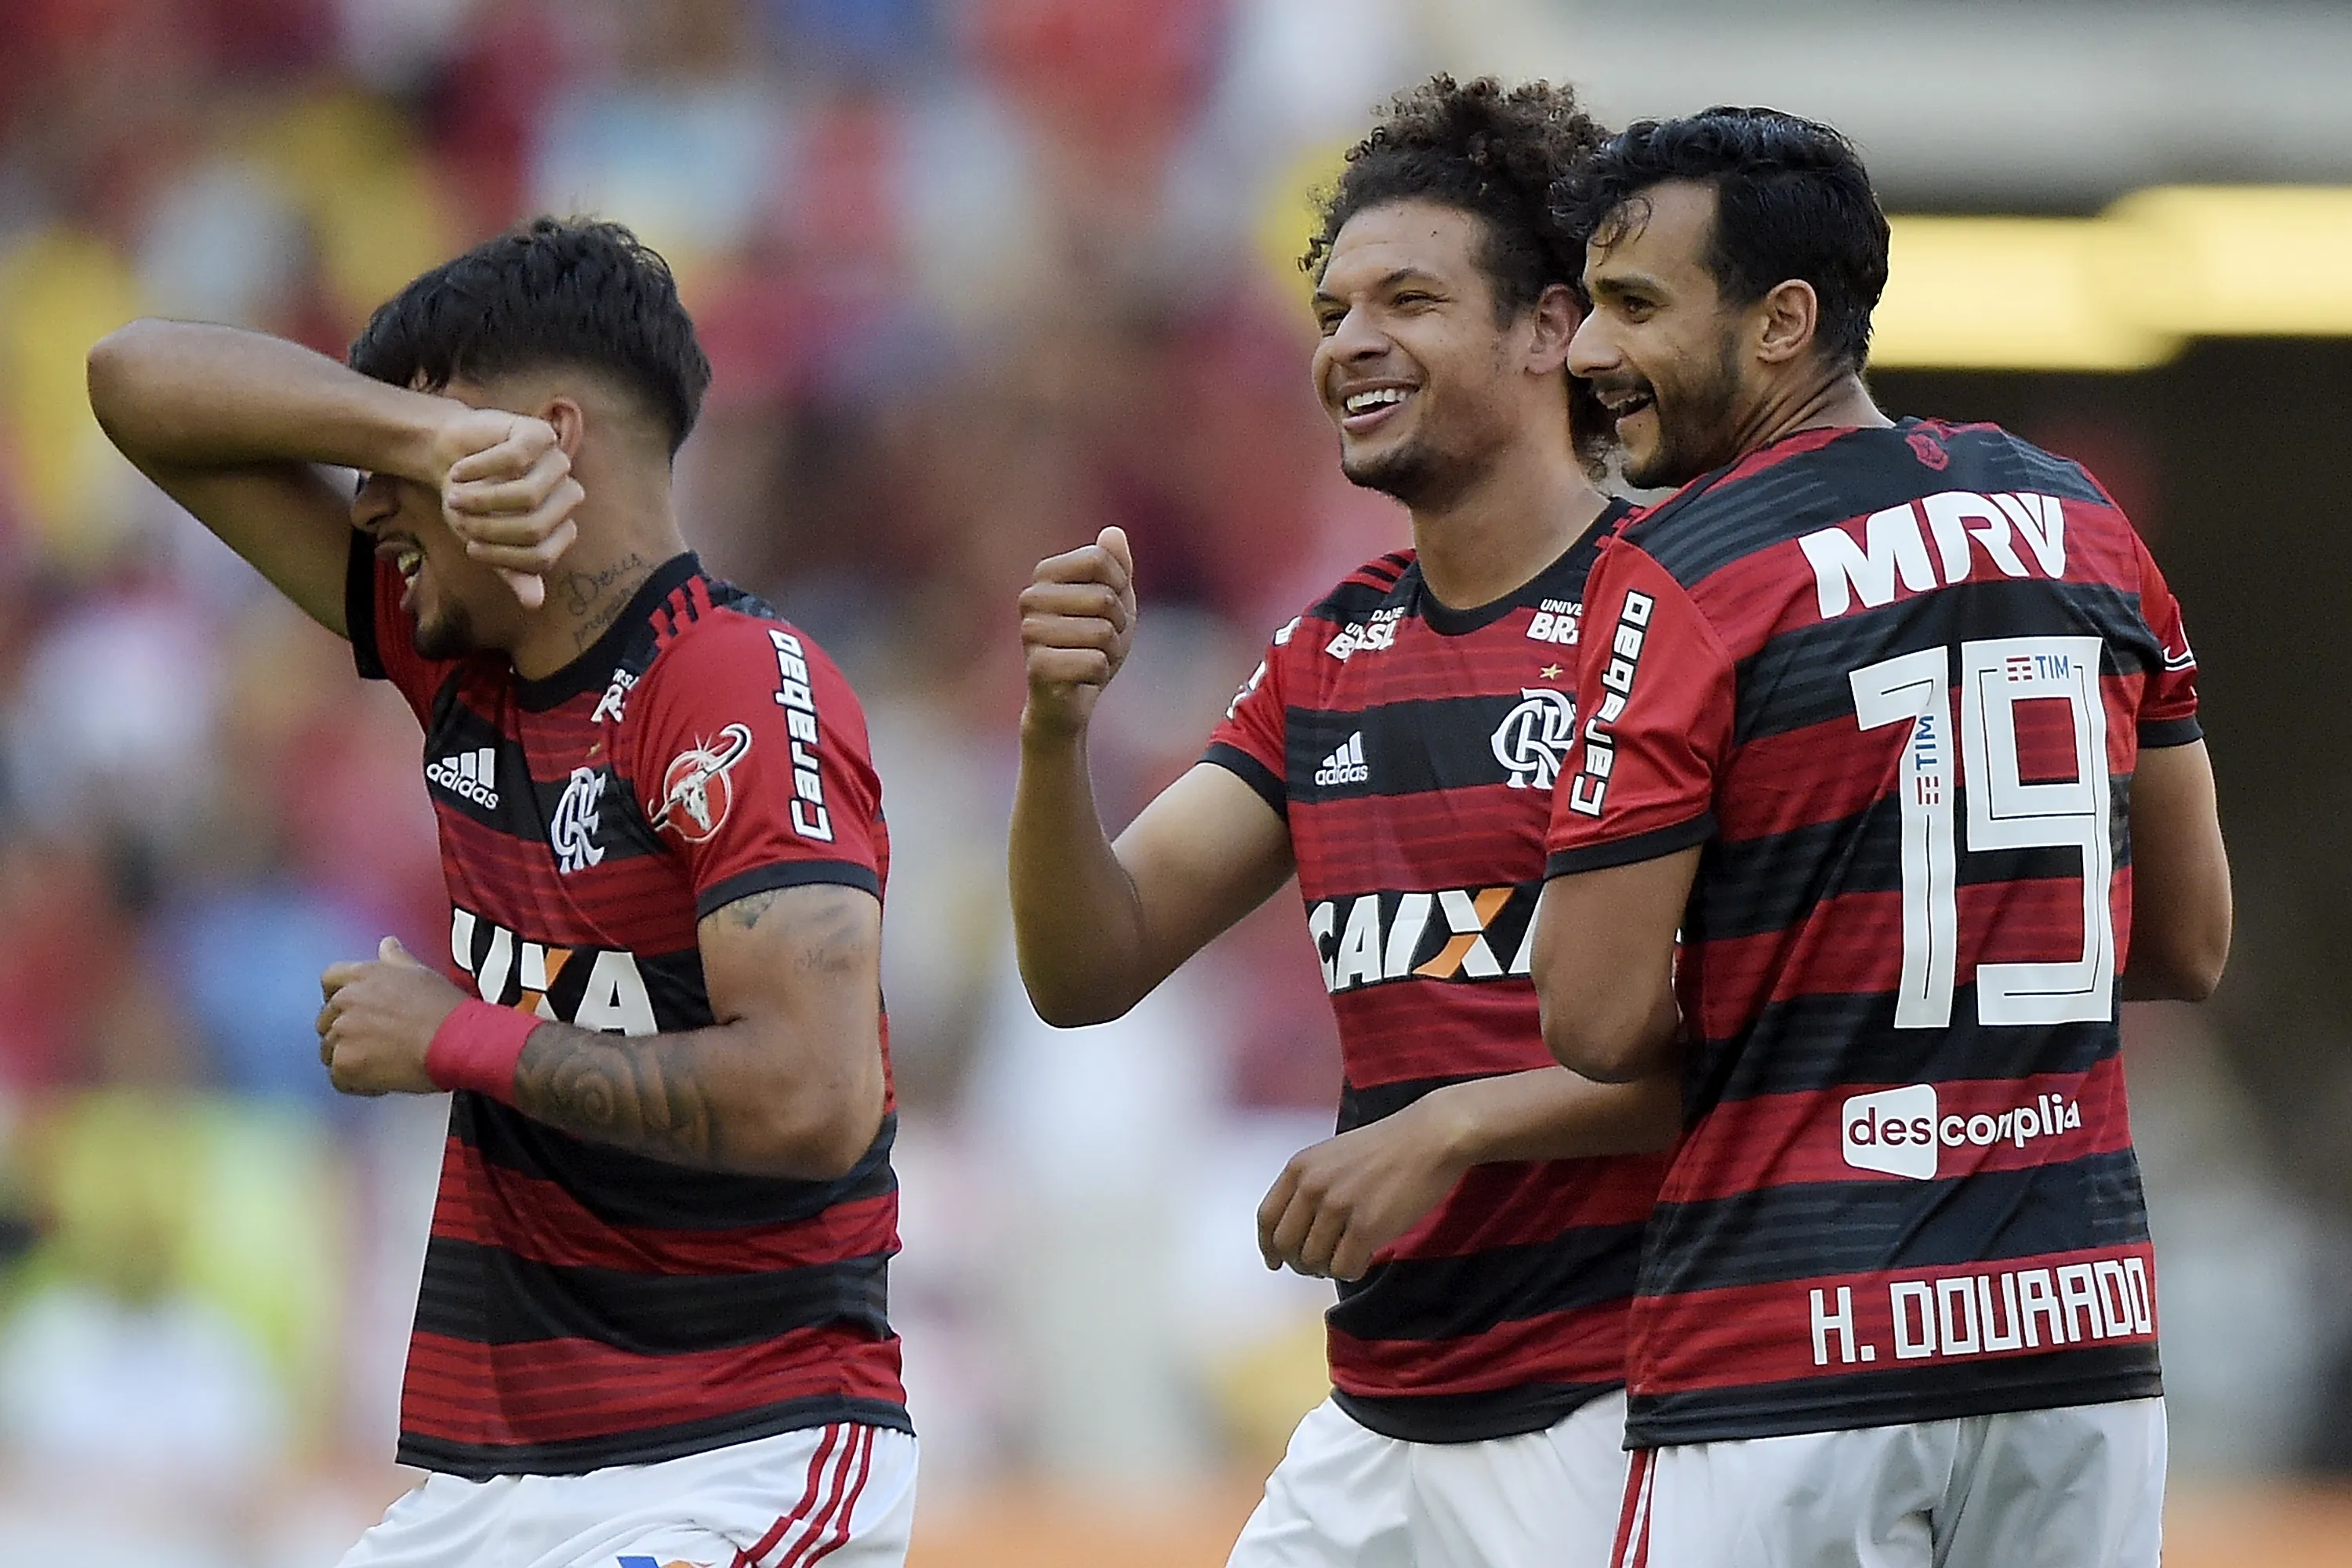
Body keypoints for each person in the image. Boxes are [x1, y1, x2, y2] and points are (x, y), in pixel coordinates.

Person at [87, 218, 916, 1568]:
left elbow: (818, 1097)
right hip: (491, 1486)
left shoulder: (729, 684)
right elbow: (134, 382)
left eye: (402, 461)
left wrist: (456, 1037)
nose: (366, 506)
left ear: (548, 441)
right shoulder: (458, 665)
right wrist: (420, 439)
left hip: (733, 1456)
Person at [1529, 108, 2233, 1568]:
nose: (1590, 355)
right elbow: (2188, 939)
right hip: (2077, 1337)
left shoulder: (1680, 567)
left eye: (1634, 307)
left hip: (1786, 1353)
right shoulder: (2083, 519)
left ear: (1785, 321)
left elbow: (1592, 1021)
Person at [1007, 77, 1678, 1568]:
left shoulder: (1684, 610)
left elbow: (1776, 1033)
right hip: (1377, 1418)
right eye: (1332, 308)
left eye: (1410, 300)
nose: (1350, 342)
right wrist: (1058, 736)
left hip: (1617, 1410)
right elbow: (1086, 966)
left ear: (1550, 330)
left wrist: (1453, 1126)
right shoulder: (1331, 653)